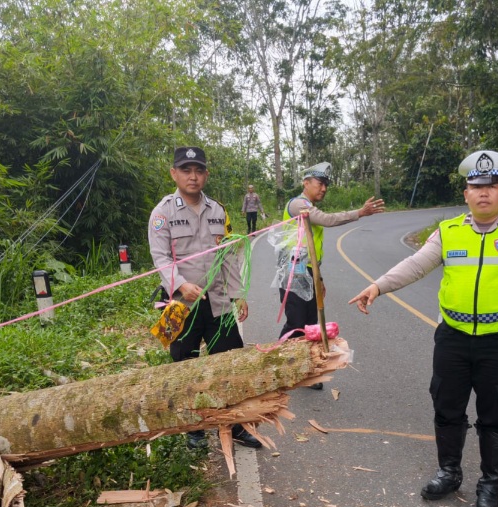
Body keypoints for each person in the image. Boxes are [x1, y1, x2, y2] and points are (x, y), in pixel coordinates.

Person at [348, 150, 498, 507]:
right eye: (476, 186)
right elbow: (415, 266)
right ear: (466, 193)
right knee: (447, 406)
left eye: (492, 186)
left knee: (497, 413)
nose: (483, 193)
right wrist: (377, 287)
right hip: (454, 338)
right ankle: (449, 471)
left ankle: (490, 484)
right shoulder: (448, 233)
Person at [148, 146, 262, 450]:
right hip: (179, 305)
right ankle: (193, 427)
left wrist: (238, 295)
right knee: (183, 363)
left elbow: (228, 255)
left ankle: (235, 425)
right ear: (174, 173)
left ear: (206, 175)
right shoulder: (162, 213)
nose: (193, 177)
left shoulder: (218, 211)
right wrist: (181, 284)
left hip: (218, 301)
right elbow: (160, 258)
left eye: (198, 170)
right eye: (186, 170)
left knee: (230, 362)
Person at [278, 162, 385, 389]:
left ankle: (307, 371)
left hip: (308, 272)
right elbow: (326, 220)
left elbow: (312, 249)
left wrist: (320, 279)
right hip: (292, 274)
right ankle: (279, 366)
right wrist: (359, 213)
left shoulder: (306, 203)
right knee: (296, 324)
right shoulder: (298, 204)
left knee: (310, 324)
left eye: (326, 184)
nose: (324, 188)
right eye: (320, 183)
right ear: (306, 183)